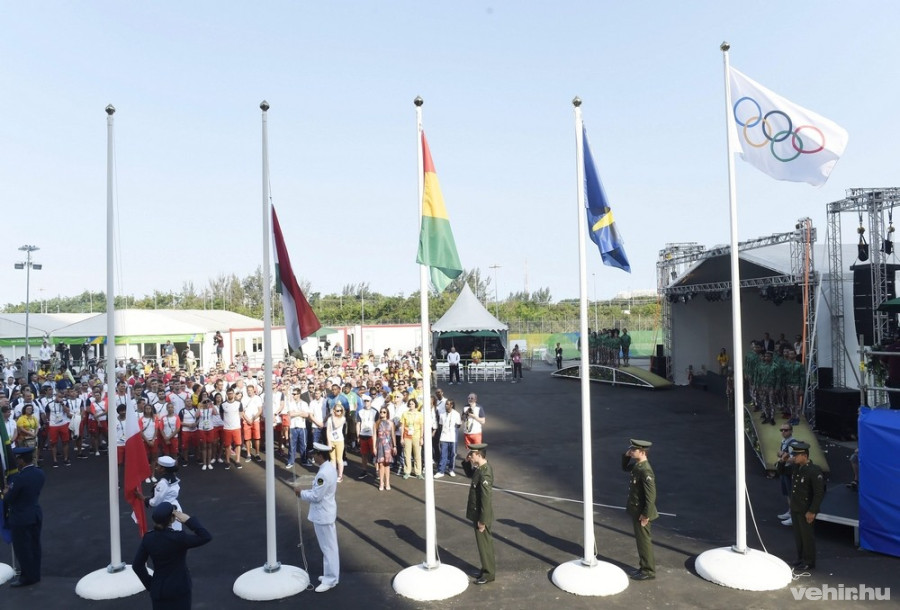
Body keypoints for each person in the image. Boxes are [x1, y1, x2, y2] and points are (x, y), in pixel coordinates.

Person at [133, 502, 212, 610]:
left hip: (159, 591)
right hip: (179, 590)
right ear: (172, 519)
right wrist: (188, 520)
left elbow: (137, 565)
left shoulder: (148, 538)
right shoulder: (179, 538)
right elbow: (205, 536)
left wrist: (151, 584)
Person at [296, 442, 340, 593]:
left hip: (323, 514)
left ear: (321, 455)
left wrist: (301, 493)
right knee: (329, 547)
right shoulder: (329, 468)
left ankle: (330, 579)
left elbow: (316, 496)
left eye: (315, 454)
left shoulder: (323, 473)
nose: (313, 457)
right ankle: (331, 575)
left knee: (328, 548)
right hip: (326, 512)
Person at [2, 446, 45, 587]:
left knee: (23, 548)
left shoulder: (20, 479)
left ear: (20, 460)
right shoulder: (39, 473)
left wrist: (7, 491)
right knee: (34, 546)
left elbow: (9, 498)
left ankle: (27, 577)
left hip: (21, 517)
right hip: (35, 513)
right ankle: (35, 574)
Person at [785, 441, 825, 570]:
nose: (794, 457)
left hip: (806, 509)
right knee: (799, 535)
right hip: (796, 507)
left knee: (807, 536)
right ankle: (800, 558)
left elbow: (819, 493)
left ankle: (809, 561)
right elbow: (782, 471)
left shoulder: (814, 471)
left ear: (804, 456)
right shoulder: (797, 467)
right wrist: (782, 461)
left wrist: (812, 511)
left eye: (796, 455)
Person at [622, 439, 658, 581]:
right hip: (637, 510)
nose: (631, 452)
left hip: (642, 512)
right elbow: (625, 468)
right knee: (640, 541)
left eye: (634, 450)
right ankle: (644, 567)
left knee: (644, 541)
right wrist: (626, 456)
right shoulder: (638, 466)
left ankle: (648, 571)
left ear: (642, 452)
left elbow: (651, 495)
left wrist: (645, 515)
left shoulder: (646, 470)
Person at [466, 443, 494, 584]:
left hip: (482, 515)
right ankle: (485, 569)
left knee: (485, 545)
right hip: (478, 514)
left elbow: (485, 499)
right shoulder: (479, 469)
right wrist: (466, 462)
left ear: (478, 454)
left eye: (472, 454)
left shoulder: (485, 472)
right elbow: (469, 474)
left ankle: (489, 574)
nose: (470, 456)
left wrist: (482, 520)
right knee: (482, 544)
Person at [140, 455, 184, 531]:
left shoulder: (163, 483)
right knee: (176, 533)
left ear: (163, 469)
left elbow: (155, 502)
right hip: (176, 509)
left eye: (158, 466)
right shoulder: (173, 477)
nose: (156, 468)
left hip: (167, 512)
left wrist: (143, 498)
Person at [436, 398, 461, 478]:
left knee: (452, 454)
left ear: (451, 405)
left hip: (452, 438)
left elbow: (458, 425)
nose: (446, 405)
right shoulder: (442, 414)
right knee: (443, 454)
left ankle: (451, 469)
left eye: (447, 404)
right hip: (444, 437)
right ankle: (441, 471)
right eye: (446, 404)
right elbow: (441, 425)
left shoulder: (456, 414)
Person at [375, 406, 395, 491]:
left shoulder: (390, 423)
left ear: (387, 413)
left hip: (388, 446)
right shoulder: (377, 423)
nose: (382, 413)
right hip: (379, 445)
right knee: (380, 464)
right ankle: (381, 483)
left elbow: (393, 435)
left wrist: (394, 446)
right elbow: (374, 436)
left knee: (387, 464)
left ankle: (387, 482)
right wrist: (374, 447)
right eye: (381, 412)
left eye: (384, 412)